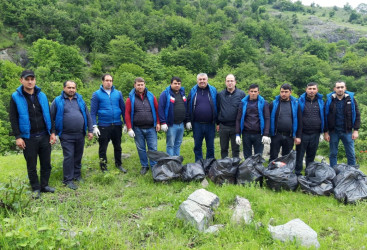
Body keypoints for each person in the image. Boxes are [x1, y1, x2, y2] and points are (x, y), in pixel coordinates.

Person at [9, 70, 56, 199]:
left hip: (44, 135)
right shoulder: (15, 97)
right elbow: (13, 118)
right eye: (27, 79)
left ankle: (44, 185)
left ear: (35, 80)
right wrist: (18, 136)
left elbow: (48, 115)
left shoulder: (42, 95)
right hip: (28, 138)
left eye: (32, 79)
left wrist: (52, 132)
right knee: (31, 165)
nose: (30, 81)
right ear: (21, 80)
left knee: (46, 163)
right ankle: (35, 188)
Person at [51, 81, 93, 190]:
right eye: (69, 87)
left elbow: (87, 115)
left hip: (80, 133)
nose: (71, 90)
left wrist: (90, 130)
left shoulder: (80, 100)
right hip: (66, 134)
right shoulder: (58, 101)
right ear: (64, 88)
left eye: (73, 88)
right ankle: (67, 180)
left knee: (78, 155)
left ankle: (77, 176)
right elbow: (51, 118)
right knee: (69, 156)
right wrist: (53, 133)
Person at [90, 74, 127, 173]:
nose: (109, 82)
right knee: (103, 147)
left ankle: (119, 164)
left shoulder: (118, 93)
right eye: (106, 80)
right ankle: (103, 167)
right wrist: (94, 126)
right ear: (102, 81)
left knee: (118, 146)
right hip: (103, 125)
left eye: (110, 80)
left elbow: (123, 110)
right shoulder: (96, 94)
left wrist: (126, 123)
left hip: (117, 125)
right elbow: (92, 112)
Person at [125, 77, 160, 175]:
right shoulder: (130, 98)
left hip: (151, 128)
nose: (140, 86)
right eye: (138, 85)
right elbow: (127, 113)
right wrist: (129, 128)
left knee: (153, 148)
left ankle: (154, 166)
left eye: (142, 84)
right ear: (134, 85)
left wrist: (158, 122)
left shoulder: (151, 96)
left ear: (145, 85)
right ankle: (144, 166)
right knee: (141, 148)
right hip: (137, 128)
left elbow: (157, 110)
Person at [324, 81, 360, 167]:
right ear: (334, 89)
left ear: (345, 88)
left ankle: (352, 173)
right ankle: (333, 173)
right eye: (338, 87)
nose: (340, 89)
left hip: (347, 131)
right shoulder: (329, 100)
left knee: (351, 153)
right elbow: (325, 116)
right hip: (333, 132)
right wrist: (325, 132)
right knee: (333, 154)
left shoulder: (351, 99)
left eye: (342, 87)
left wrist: (356, 130)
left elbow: (357, 115)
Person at [295, 82, 324, 175]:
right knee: (299, 155)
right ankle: (297, 173)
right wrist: (297, 134)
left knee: (311, 155)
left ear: (317, 90)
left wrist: (323, 132)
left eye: (314, 89)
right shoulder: (300, 101)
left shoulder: (321, 102)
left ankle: (309, 173)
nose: (311, 91)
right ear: (306, 90)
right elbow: (296, 117)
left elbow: (324, 116)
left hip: (315, 133)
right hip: (303, 133)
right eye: (310, 89)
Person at [187, 73, 217, 162]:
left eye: (204, 79)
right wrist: (188, 120)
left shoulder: (213, 90)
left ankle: (209, 164)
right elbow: (188, 105)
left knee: (210, 146)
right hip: (197, 124)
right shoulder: (193, 91)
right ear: (197, 81)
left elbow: (217, 105)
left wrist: (217, 122)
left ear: (207, 80)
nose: (202, 81)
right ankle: (199, 164)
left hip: (210, 124)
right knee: (197, 146)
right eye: (200, 79)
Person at [235, 84, 270, 159]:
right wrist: (237, 134)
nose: (253, 93)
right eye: (251, 91)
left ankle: (258, 170)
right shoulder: (243, 103)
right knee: (247, 157)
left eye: (255, 91)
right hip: (246, 133)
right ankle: (248, 170)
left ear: (258, 92)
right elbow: (238, 119)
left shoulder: (263, 103)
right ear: (248, 92)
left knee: (258, 156)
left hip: (258, 134)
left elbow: (267, 118)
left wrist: (266, 134)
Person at [269, 83, 302, 162]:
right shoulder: (273, 104)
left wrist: (298, 136)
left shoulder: (296, 105)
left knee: (286, 158)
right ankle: (271, 173)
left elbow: (300, 121)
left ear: (290, 92)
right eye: (282, 91)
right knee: (273, 156)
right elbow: (268, 119)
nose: (283, 94)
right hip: (276, 135)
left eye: (286, 92)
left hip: (289, 136)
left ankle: (284, 173)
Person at [217, 74, 245, 158]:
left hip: (235, 126)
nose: (230, 83)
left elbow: (244, 110)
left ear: (235, 82)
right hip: (223, 126)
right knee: (224, 148)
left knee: (235, 149)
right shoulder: (220, 94)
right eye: (228, 81)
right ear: (225, 82)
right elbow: (217, 108)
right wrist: (217, 123)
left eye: (231, 81)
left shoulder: (241, 94)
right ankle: (224, 167)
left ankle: (235, 166)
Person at [158, 76, 189, 156]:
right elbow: (160, 108)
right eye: (175, 83)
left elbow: (186, 107)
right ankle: (171, 163)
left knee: (178, 144)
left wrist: (187, 121)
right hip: (171, 125)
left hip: (181, 124)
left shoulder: (182, 93)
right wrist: (163, 122)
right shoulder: (165, 94)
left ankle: (176, 162)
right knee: (170, 145)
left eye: (179, 84)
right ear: (171, 84)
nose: (177, 85)